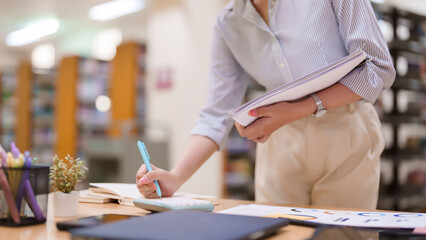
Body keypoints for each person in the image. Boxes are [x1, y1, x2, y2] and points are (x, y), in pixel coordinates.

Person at [136, 0, 396, 209]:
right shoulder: (227, 24)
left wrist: (299, 108)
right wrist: (175, 178)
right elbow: (216, 114)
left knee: (342, 235)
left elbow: (379, 69)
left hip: (346, 131)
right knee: (278, 233)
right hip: (280, 142)